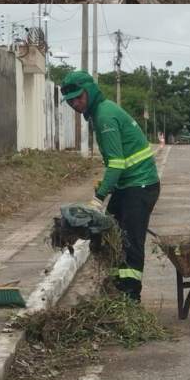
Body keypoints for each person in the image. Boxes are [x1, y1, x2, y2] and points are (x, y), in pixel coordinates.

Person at [61, 70, 160, 302]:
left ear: (90, 91)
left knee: (130, 242)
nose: (76, 103)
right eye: (71, 101)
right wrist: (106, 186)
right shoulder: (99, 113)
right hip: (129, 186)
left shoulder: (104, 115)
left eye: (79, 97)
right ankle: (117, 287)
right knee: (111, 236)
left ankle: (130, 298)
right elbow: (117, 163)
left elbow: (117, 163)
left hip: (140, 186)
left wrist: (99, 196)